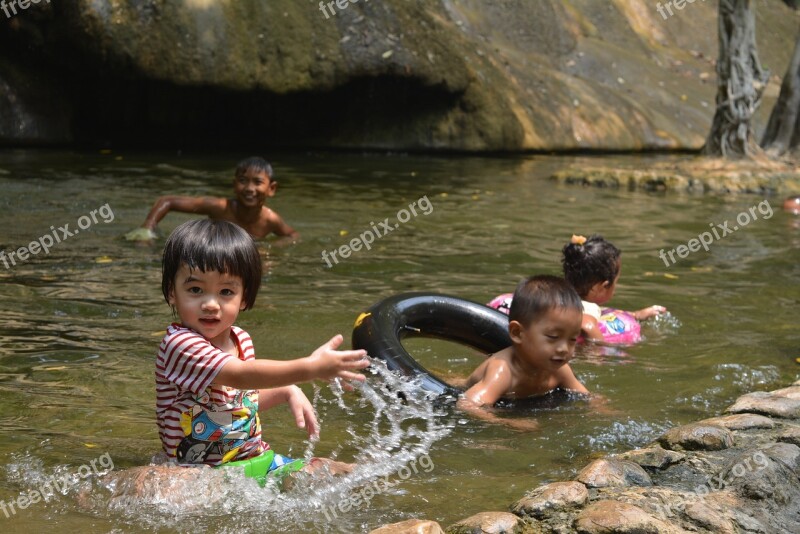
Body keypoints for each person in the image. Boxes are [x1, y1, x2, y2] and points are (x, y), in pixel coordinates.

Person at [156, 218, 368, 486]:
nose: (210, 304)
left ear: (244, 297)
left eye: (225, 292)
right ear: (171, 292)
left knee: (330, 469)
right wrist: (311, 368)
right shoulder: (180, 345)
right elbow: (242, 376)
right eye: (195, 289)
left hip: (257, 461)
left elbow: (238, 402)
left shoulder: (241, 339)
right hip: (199, 476)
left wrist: (285, 389)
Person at [458, 275, 587, 429]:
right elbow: (467, 404)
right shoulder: (503, 371)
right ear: (518, 332)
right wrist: (509, 423)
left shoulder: (560, 370)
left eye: (572, 339)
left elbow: (586, 398)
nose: (564, 348)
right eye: (553, 337)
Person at [127, 156, 299, 243]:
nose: (249, 188)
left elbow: (293, 236)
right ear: (234, 185)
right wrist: (147, 229)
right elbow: (167, 201)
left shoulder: (270, 219)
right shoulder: (219, 208)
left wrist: (270, 249)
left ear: (271, 189)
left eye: (258, 182)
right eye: (243, 181)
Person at [562, 234, 665, 342]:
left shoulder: (565, 298)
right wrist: (602, 350)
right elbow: (587, 325)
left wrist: (636, 315)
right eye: (616, 282)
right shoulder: (588, 308)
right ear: (603, 287)